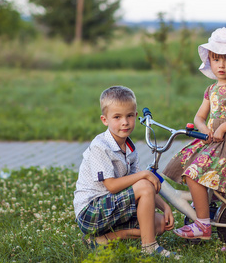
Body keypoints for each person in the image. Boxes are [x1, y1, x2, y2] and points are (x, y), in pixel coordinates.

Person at [163, 27, 226, 240]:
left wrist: (223, 128)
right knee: (187, 165)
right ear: (209, 61)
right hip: (214, 141)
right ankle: (205, 207)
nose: (221, 65)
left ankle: (203, 224)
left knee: (194, 174)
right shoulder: (211, 89)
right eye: (216, 60)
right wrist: (204, 129)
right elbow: (199, 117)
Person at [73, 86, 177, 258]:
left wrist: (165, 207)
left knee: (159, 224)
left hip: (112, 207)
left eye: (129, 115)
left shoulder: (129, 147)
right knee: (144, 184)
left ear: (136, 116)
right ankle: (150, 247)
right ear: (104, 120)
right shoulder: (101, 146)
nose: (125, 122)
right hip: (91, 212)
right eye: (117, 117)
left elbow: (145, 187)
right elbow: (112, 186)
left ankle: (103, 239)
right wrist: (144, 174)